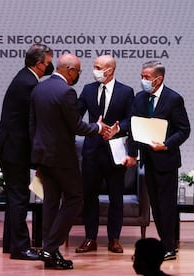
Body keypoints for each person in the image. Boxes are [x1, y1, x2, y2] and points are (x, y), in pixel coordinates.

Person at [29, 53, 112, 270]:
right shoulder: (66, 91)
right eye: (79, 71)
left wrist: (36, 154)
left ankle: (51, 253)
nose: (79, 76)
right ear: (70, 70)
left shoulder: (40, 88)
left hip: (43, 155)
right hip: (62, 158)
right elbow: (77, 126)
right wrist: (98, 127)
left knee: (50, 202)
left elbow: (32, 124)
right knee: (75, 198)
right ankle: (50, 246)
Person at [0, 43, 54, 260]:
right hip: (13, 148)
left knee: (14, 197)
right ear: (38, 64)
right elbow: (31, 125)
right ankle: (20, 248)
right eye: (48, 63)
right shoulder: (28, 84)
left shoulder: (24, 77)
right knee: (19, 197)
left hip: (8, 146)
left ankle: (11, 244)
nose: (50, 67)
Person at [130, 60, 191, 261]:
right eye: (142, 76)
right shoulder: (140, 98)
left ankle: (169, 247)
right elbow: (133, 126)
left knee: (167, 206)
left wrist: (165, 144)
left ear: (159, 78)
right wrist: (132, 153)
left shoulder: (173, 99)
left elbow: (184, 130)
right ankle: (164, 245)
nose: (143, 80)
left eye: (146, 77)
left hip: (166, 161)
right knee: (155, 205)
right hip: (147, 159)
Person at [75, 55, 136, 254]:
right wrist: (93, 127)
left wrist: (118, 129)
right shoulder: (88, 89)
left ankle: (114, 239)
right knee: (89, 197)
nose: (95, 71)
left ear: (110, 70)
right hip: (92, 152)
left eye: (98, 67)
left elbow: (131, 120)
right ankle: (90, 238)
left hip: (115, 152)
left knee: (116, 198)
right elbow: (75, 116)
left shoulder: (126, 92)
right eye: (94, 67)